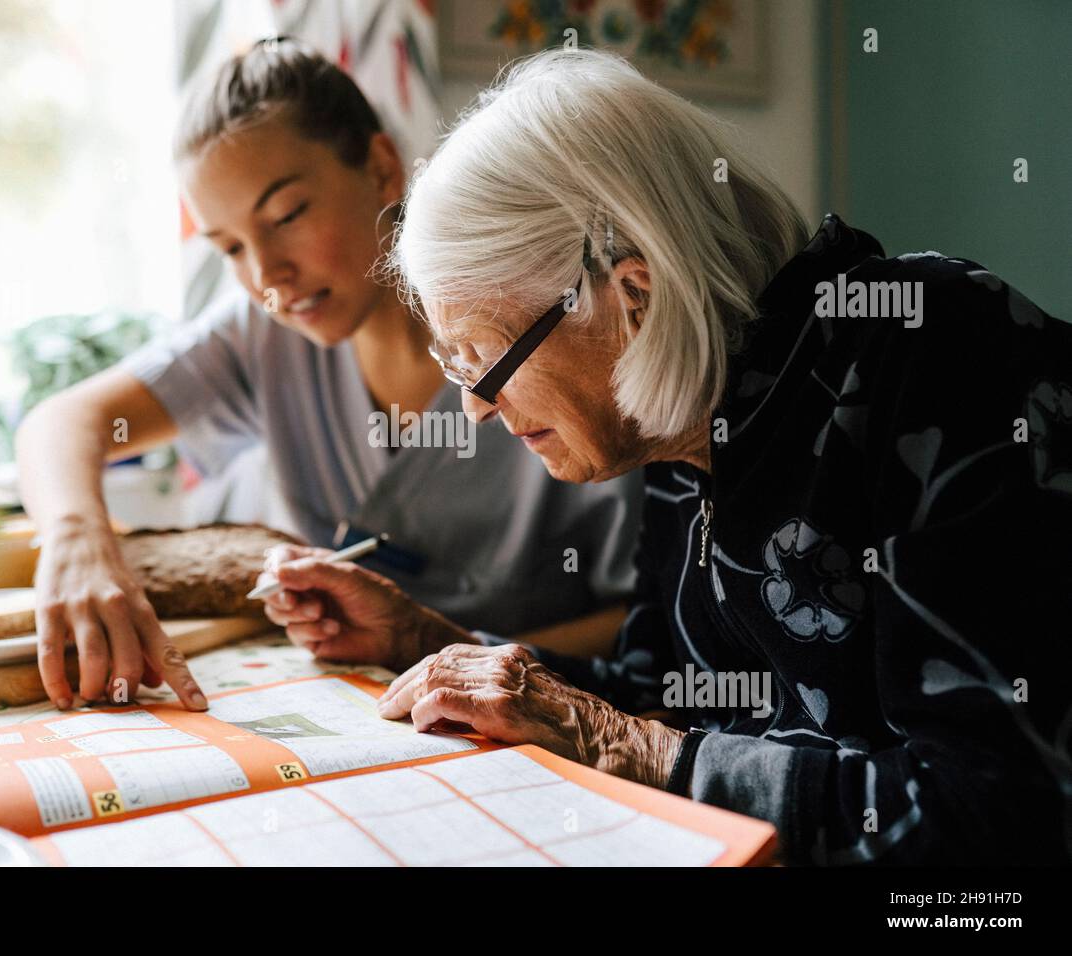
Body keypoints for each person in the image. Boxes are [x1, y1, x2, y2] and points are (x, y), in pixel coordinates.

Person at [256, 48, 1072, 864]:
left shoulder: (938, 357)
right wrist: (420, 640)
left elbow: (997, 819)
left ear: (632, 299)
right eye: (456, 371)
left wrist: (635, 750)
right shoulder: (689, 429)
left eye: (484, 361)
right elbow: (662, 696)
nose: (472, 408)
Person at [14, 39, 642, 715]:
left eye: (286, 216)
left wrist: (447, 654)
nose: (266, 276)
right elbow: (61, 423)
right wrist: (77, 539)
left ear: (380, 169)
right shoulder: (264, 338)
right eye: (229, 248)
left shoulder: (546, 335)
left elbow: (646, 635)